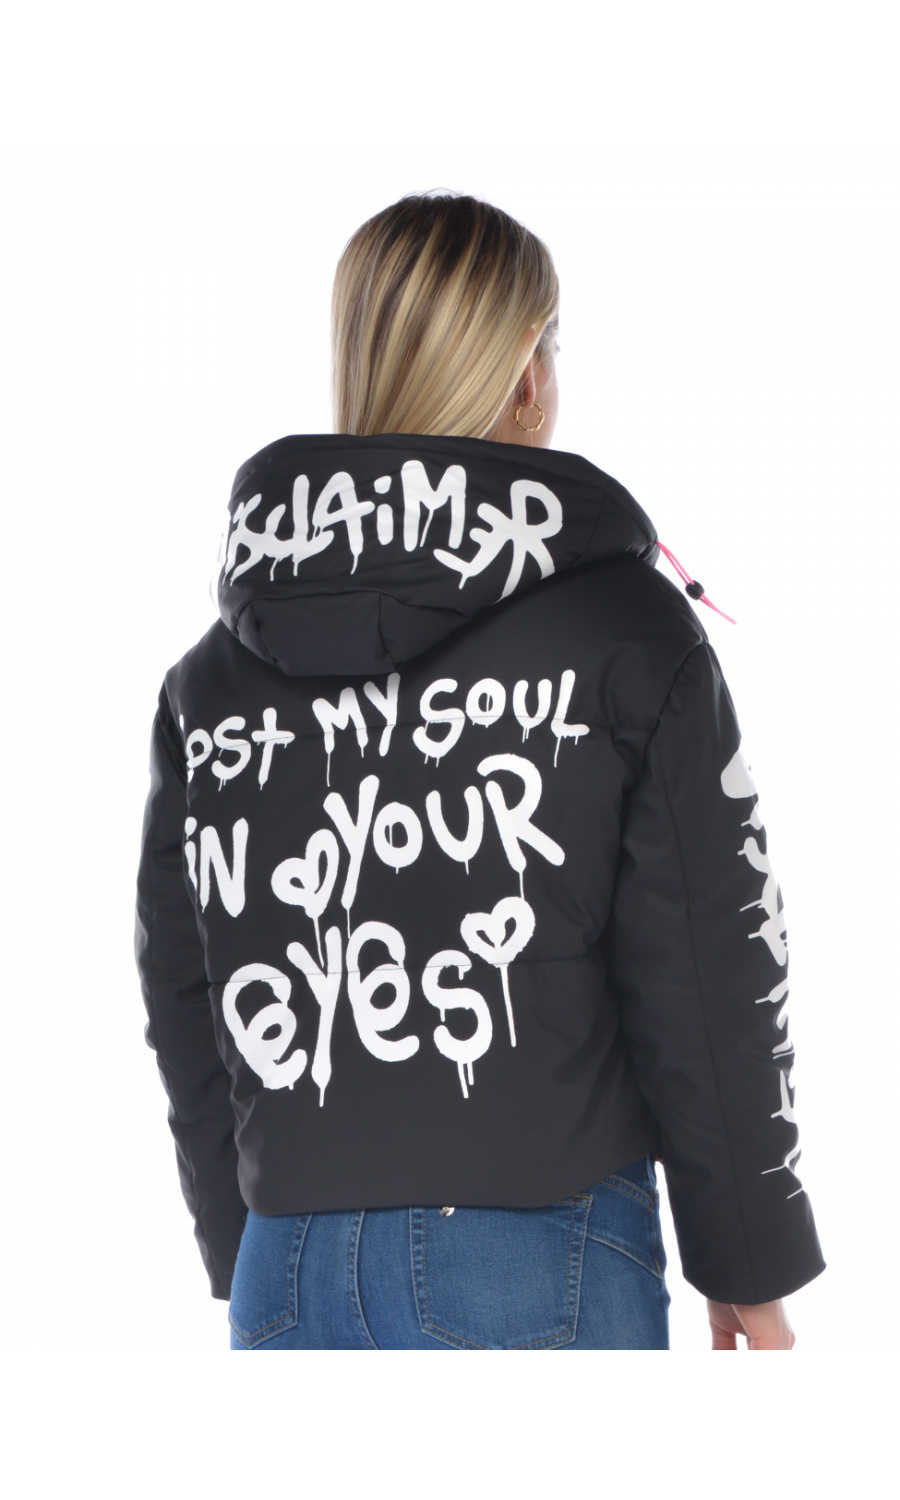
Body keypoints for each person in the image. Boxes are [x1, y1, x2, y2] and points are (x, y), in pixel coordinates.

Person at [134, 191, 825, 1350]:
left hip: (285, 1268)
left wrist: (243, 1236)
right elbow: (706, 970)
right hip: (537, 1256)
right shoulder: (623, 631)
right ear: (524, 374)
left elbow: (186, 988)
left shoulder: (211, 678)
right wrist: (748, 1263)